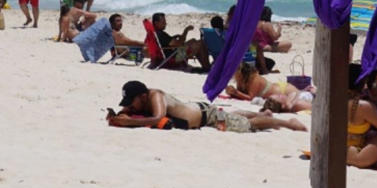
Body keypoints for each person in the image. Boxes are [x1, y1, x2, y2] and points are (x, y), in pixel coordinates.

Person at [106, 81, 306, 132]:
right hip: (201, 112)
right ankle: (265, 113)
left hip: (205, 116)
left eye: (132, 102)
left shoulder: (154, 95)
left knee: (246, 126)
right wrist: (120, 115)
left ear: (141, 96)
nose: (131, 107)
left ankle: (289, 123)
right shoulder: (140, 100)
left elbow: (158, 118)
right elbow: (130, 111)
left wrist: (129, 123)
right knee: (231, 116)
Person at [226, 62, 314, 112]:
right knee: (301, 97)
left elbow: (250, 97)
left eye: (235, 74)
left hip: (282, 90)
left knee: (302, 98)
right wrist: (232, 92)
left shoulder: (254, 79)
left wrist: (236, 93)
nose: (233, 76)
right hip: (279, 90)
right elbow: (240, 94)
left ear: (241, 73)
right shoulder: (241, 80)